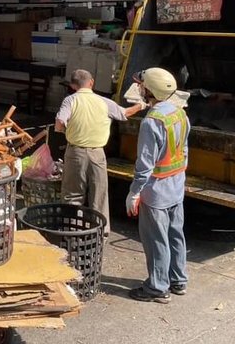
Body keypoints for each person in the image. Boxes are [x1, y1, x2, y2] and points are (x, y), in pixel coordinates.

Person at [126, 67, 190, 304]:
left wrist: (134, 192)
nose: (140, 89)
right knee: (175, 234)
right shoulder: (180, 113)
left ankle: (157, 287)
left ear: (149, 90)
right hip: (176, 186)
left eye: (142, 86)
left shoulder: (151, 122)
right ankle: (178, 280)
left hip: (156, 191)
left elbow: (145, 164)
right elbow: (183, 150)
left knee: (155, 239)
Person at [55, 69, 145, 235]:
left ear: (73, 85)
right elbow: (126, 113)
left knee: (72, 195)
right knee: (99, 194)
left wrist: (63, 130)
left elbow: (60, 121)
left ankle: (71, 231)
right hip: (98, 154)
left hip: (75, 153)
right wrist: (141, 105)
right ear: (92, 82)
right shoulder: (104, 102)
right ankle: (101, 232)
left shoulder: (70, 100)